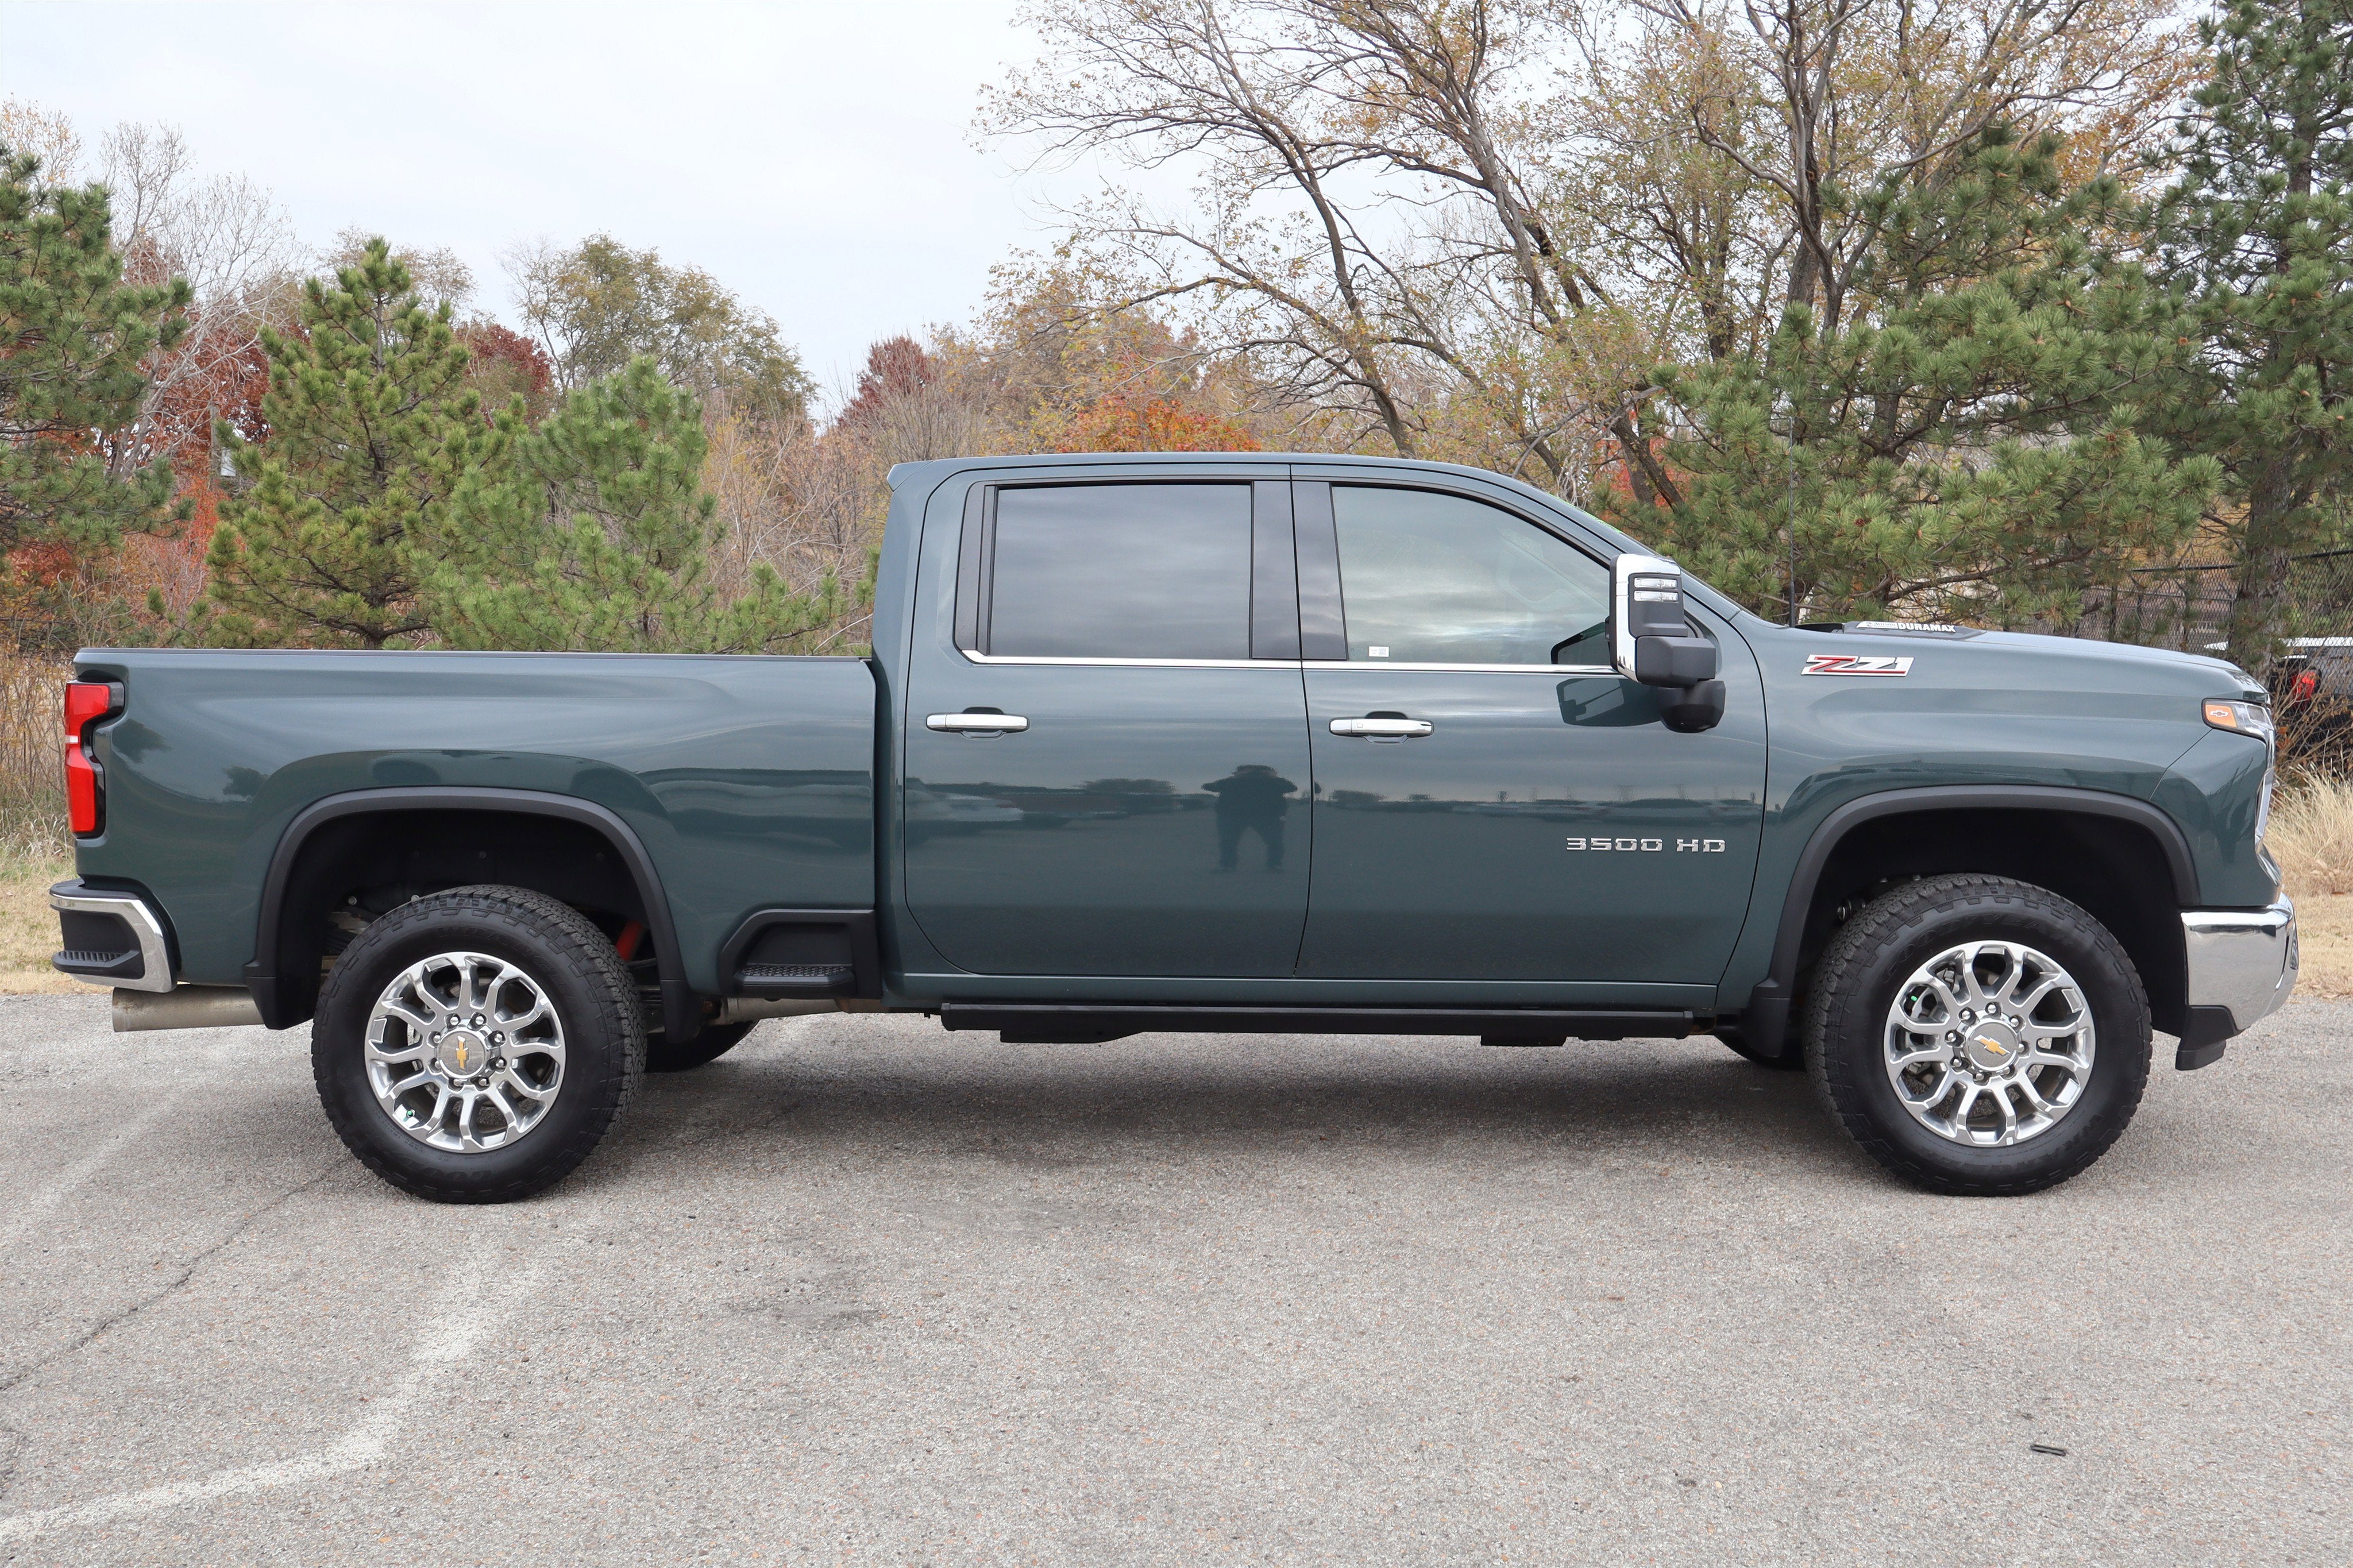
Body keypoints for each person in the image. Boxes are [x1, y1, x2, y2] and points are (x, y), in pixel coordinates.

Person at [1202, 763, 1296, 871]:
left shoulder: (1232, 782)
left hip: (1237, 815)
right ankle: (1274, 865)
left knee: (1228, 842)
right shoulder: (1273, 782)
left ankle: (1227, 865)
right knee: (1274, 841)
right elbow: (1292, 787)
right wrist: (1272, 777)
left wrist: (1237, 777)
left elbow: (1209, 787)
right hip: (1262, 816)